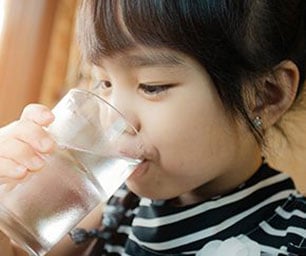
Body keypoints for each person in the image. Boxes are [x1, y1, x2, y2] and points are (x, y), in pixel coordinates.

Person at [0, 0, 305, 255]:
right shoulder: (114, 205)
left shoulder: (293, 234)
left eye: (151, 86)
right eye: (104, 82)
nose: (115, 120)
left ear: (265, 96)